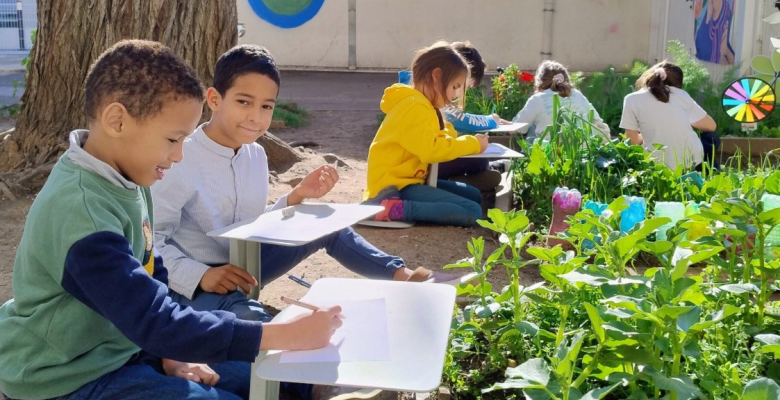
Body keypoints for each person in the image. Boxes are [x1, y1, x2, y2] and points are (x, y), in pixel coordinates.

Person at [0, 40, 343, 400]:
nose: (179, 155)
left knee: (258, 379)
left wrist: (171, 355)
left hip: (127, 348)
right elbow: (153, 319)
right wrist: (283, 334)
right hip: (67, 377)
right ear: (117, 121)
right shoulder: (82, 210)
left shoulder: (130, 175)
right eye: (172, 139)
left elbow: (152, 270)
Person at [152, 44, 461, 323]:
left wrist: (294, 197)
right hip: (194, 285)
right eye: (244, 102)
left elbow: (250, 225)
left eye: (266, 106)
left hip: (246, 268)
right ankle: (296, 377)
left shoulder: (256, 155)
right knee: (251, 322)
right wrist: (201, 275)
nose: (255, 117)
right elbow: (151, 244)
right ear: (214, 99)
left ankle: (406, 277)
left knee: (324, 222)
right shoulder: (179, 158)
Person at [364, 41, 488, 227]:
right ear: (436, 76)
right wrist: (473, 144)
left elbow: (440, 138)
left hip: (410, 181)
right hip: (393, 187)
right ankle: (391, 209)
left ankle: (395, 207)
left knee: (474, 195)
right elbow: (432, 150)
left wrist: (450, 131)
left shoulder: (425, 105)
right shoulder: (415, 106)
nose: (455, 94)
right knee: (473, 211)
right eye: (455, 86)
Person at [619, 61, 717, 170]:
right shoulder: (681, 95)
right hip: (689, 161)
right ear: (678, 83)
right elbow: (711, 126)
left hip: (654, 163)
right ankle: (710, 171)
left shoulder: (631, 99)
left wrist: (645, 133)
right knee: (712, 138)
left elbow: (632, 142)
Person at [512, 60, 609, 141]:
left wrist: (502, 122)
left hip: (551, 155)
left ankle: (524, 160)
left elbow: (518, 129)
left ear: (539, 80)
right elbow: (597, 120)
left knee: (532, 126)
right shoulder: (577, 95)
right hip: (581, 153)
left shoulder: (538, 99)